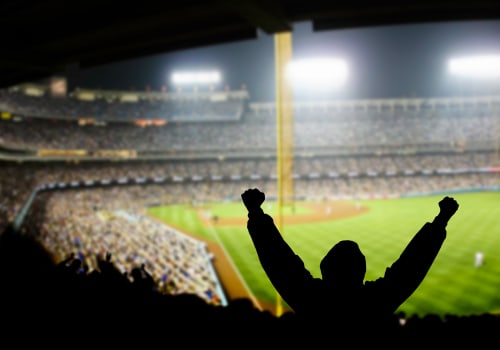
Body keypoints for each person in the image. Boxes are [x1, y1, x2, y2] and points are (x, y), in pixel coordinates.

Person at [241, 188, 459, 344]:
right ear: (361, 271)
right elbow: (409, 269)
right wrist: (441, 220)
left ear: (325, 269)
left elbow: (281, 263)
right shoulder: (375, 302)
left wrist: (256, 213)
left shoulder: (311, 300)